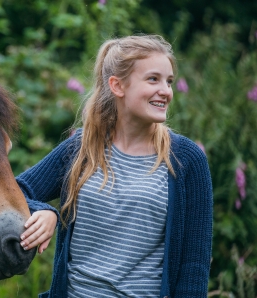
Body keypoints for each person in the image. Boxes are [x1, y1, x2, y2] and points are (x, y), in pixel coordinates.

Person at [16, 34, 213, 297]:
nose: (166, 91)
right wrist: (46, 211)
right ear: (118, 86)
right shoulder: (81, 149)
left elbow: (194, 268)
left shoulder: (187, 159)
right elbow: (16, 189)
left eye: (169, 81)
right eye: (153, 79)